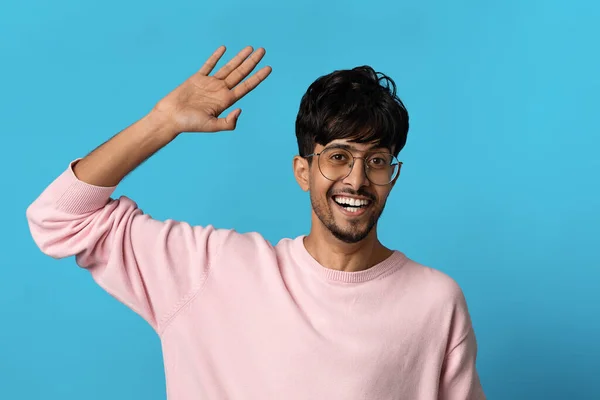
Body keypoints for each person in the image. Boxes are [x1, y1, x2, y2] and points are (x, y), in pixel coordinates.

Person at [26, 45, 485, 399]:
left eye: (378, 161)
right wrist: (161, 122)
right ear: (303, 171)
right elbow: (58, 217)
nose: (357, 180)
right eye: (339, 157)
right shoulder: (211, 269)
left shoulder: (434, 301)